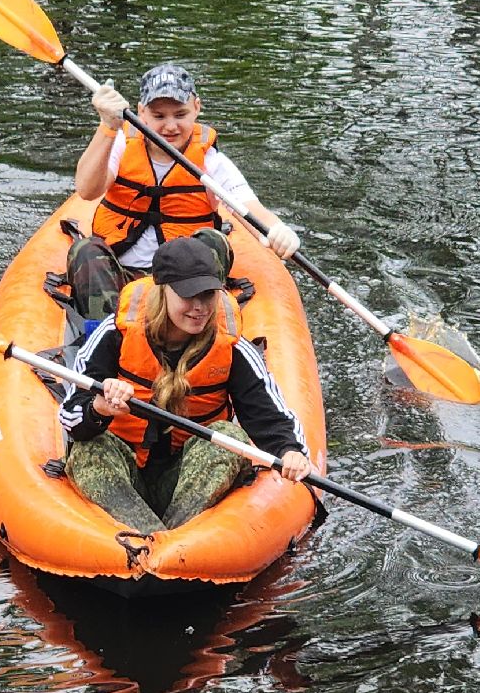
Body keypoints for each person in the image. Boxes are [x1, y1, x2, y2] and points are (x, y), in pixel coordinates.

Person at [57, 237, 314, 534]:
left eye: (208, 295)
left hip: (185, 480)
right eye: (188, 296)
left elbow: (271, 419)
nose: (199, 308)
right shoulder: (115, 334)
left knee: (229, 437)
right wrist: (99, 408)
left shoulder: (233, 348)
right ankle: (143, 537)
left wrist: (291, 451)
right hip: (125, 473)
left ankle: (173, 541)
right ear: (163, 291)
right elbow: (72, 417)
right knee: (90, 447)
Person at [65, 62, 303, 322]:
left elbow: (247, 206)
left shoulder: (211, 160)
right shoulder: (119, 142)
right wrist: (108, 126)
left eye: (180, 114)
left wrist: (279, 231)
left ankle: (189, 330)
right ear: (142, 112)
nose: (170, 127)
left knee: (214, 240)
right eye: (159, 116)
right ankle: (109, 336)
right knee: (85, 250)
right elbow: (87, 191)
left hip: (184, 283)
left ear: (196, 109)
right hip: (121, 273)